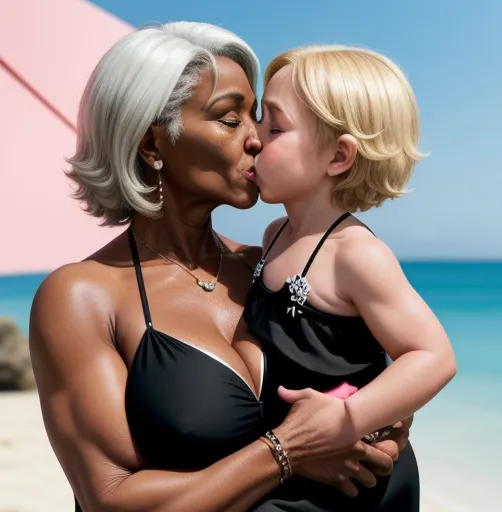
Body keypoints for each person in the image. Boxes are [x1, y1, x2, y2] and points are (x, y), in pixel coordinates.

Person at [29, 23, 412, 512]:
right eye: (230, 120)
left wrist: (383, 426)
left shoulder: (274, 266)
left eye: (258, 117)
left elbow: (380, 381)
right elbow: (110, 499)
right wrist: (287, 452)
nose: (257, 139)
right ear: (152, 144)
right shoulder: (81, 297)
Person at [244, 45, 457, 510]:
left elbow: (433, 355)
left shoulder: (355, 253)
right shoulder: (273, 233)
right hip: (296, 460)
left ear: (338, 156)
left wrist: (347, 419)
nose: (254, 138)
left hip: (355, 479)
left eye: (275, 127)